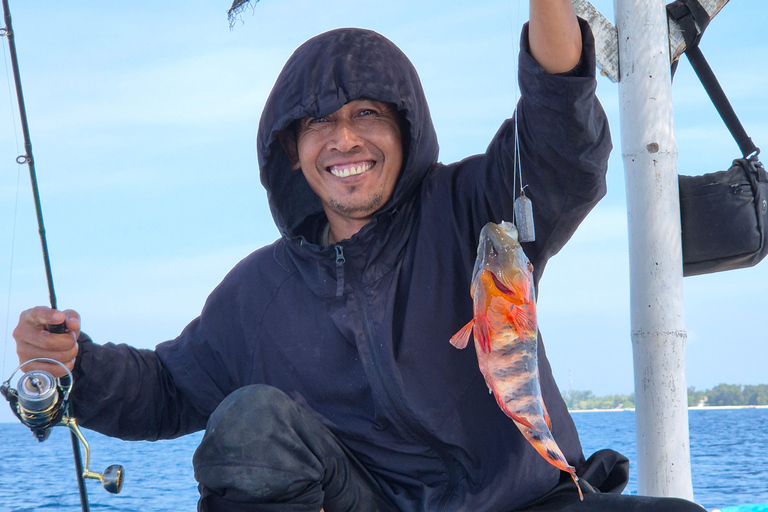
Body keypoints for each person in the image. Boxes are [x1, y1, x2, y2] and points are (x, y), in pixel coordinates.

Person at [13, 1, 705, 511]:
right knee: (249, 424)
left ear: (406, 129)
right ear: (292, 151)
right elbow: (167, 388)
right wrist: (74, 365)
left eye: (366, 114)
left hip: (535, 499)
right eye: (318, 122)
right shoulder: (256, 295)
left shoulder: (476, 206)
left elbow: (557, 129)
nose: (344, 139)